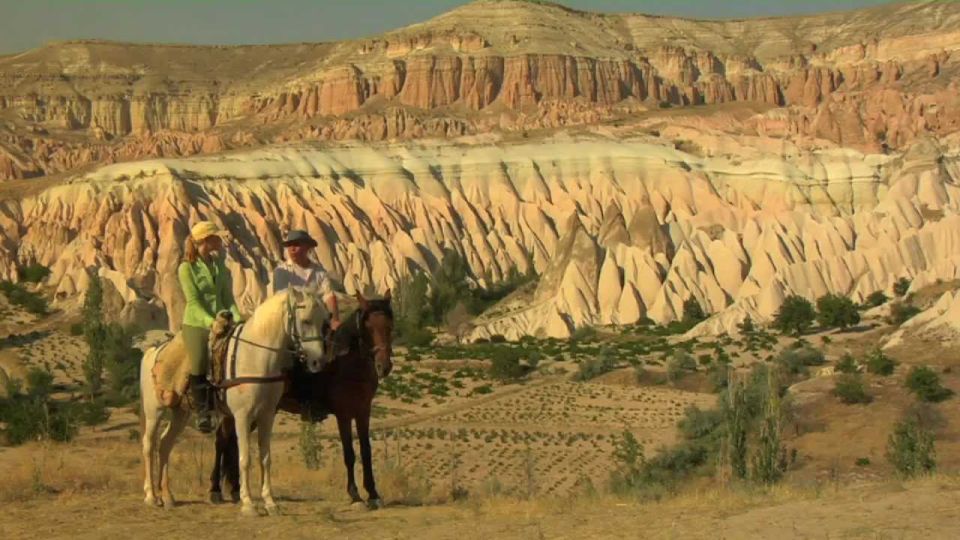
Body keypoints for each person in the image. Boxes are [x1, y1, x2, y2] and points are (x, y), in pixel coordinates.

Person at [178, 221, 242, 433]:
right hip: (197, 323)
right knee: (198, 362)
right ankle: (203, 411)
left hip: (223, 320)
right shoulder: (186, 268)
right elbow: (193, 302)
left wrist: (239, 319)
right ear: (205, 241)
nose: (220, 241)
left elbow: (228, 297)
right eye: (215, 237)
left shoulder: (219, 266)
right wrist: (210, 322)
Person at [271, 230, 340, 420]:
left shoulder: (318, 272)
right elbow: (281, 299)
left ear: (308, 248)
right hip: (293, 324)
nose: (292, 249)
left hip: (316, 323)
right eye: (290, 246)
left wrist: (334, 319)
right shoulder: (282, 272)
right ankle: (303, 401)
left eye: (297, 245)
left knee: (336, 351)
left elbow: (329, 296)